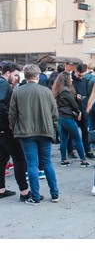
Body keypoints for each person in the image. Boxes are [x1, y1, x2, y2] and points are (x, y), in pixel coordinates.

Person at [9, 64, 60, 205]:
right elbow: (54, 113)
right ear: (37, 76)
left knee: (31, 165)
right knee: (47, 163)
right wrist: (54, 128)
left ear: (25, 76)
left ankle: (35, 197)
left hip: (26, 133)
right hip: (45, 131)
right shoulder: (46, 91)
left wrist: (14, 129)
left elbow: (12, 115)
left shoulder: (18, 92)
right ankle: (55, 194)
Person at [0, 62, 30, 201]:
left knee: (2, 158)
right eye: (16, 75)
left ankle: (1, 189)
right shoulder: (3, 84)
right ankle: (24, 192)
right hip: (6, 128)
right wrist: (13, 116)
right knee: (19, 158)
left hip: (3, 128)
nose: (17, 78)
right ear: (8, 73)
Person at [52, 72, 90, 167]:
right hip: (68, 116)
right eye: (70, 78)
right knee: (77, 138)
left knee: (64, 139)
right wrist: (78, 109)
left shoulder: (58, 90)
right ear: (67, 80)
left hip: (61, 116)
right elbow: (73, 104)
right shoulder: (67, 91)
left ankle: (63, 160)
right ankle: (83, 160)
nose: (71, 79)